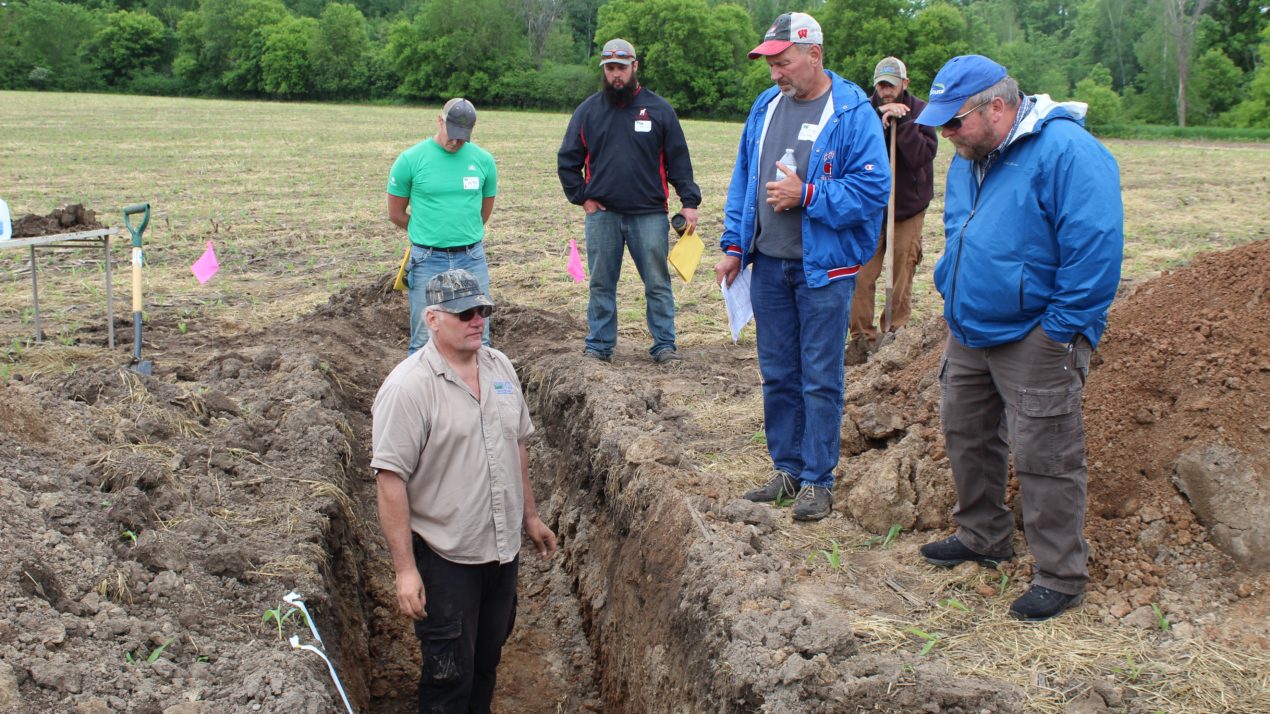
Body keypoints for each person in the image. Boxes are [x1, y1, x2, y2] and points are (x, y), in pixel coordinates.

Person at [912, 55, 1123, 621]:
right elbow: (965, 231)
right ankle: (983, 535)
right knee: (966, 434)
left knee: (1045, 454)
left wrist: (1059, 331)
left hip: (1036, 334)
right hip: (970, 327)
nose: (945, 135)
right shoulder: (970, 156)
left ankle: (1060, 573)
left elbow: (1096, 250)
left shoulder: (1067, 153)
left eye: (953, 122)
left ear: (997, 107)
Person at [715, 12, 890, 521]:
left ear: (814, 54)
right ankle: (787, 468)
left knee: (819, 376)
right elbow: (744, 178)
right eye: (770, 64)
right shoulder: (766, 107)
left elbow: (872, 191)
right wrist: (733, 244)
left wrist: (808, 194)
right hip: (769, 266)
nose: (775, 74)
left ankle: (818, 478)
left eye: (783, 62)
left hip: (824, 272)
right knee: (778, 374)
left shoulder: (852, 112)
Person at [371, 268, 557, 712]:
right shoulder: (409, 388)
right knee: (448, 675)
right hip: (445, 557)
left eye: (483, 311)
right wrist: (404, 571)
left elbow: (517, 446)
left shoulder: (500, 367)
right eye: (465, 313)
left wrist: (529, 517)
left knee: (486, 662)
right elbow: (390, 480)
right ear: (432, 318)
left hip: (501, 550)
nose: (478, 320)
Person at [557, 38, 702, 364]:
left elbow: (679, 159)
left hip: (649, 215)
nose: (616, 75)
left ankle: (664, 346)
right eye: (610, 69)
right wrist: (582, 198)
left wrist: (689, 202)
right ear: (604, 71)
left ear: (634, 67)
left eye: (621, 68)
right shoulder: (588, 111)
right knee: (601, 284)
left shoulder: (660, 110)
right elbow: (568, 160)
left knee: (657, 284)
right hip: (603, 216)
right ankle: (598, 346)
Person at [388, 98, 497, 354]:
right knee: (424, 339)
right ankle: (425, 393)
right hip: (427, 258)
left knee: (479, 337)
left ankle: (478, 392)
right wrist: (428, 232)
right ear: (440, 121)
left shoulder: (483, 161)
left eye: (463, 137)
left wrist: (460, 232)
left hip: (472, 257)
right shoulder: (411, 160)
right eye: (452, 134)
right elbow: (395, 213)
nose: (456, 142)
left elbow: (483, 211)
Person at [847, 57, 937, 357]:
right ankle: (861, 338)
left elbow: (922, 157)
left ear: (904, 84)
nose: (885, 91)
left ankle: (895, 334)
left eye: (891, 86)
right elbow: (852, 147)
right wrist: (879, 118)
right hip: (870, 209)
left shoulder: (922, 112)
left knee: (901, 272)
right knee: (861, 274)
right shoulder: (863, 110)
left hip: (907, 208)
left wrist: (904, 123)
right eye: (881, 86)